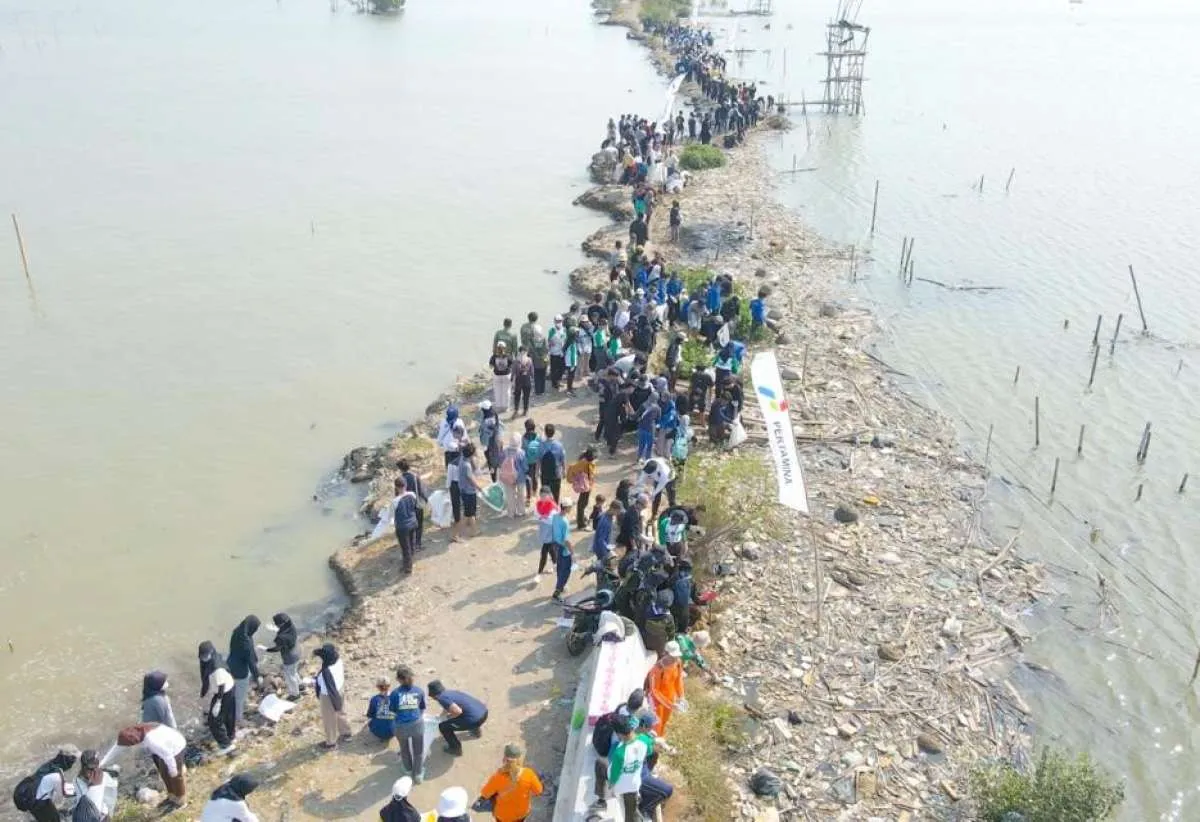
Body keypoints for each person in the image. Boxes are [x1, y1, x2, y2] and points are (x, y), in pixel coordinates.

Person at [111, 723, 187, 808]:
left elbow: (168, 755)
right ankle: (172, 797)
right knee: (164, 773)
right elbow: (117, 747)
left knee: (175, 776)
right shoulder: (138, 734)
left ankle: (181, 801)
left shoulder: (152, 741)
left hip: (175, 746)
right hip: (162, 748)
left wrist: (173, 770)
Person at [476, 743, 543, 822]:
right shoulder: (529, 774)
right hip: (521, 813)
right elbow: (539, 791)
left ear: (504, 758)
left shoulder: (497, 777)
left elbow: (485, 794)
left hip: (502, 815)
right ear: (519, 759)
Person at [607, 716, 655, 821]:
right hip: (634, 785)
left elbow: (614, 776)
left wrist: (610, 787)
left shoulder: (619, 752)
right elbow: (650, 751)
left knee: (600, 764)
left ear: (619, 734)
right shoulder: (645, 740)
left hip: (621, 787)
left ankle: (601, 802)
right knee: (630, 812)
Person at [428, 680, 488, 757]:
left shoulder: (441, 698)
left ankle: (455, 749)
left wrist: (447, 718)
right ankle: (476, 732)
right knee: (468, 714)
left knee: (443, 727)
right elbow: (448, 706)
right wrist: (442, 716)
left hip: (474, 721)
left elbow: (457, 712)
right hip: (483, 712)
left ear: (434, 696)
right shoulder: (451, 693)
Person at [198, 641, 237, 753]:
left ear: (211, 653)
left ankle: (226, 745)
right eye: (202, 655)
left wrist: (218, 703)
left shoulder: (216, 668)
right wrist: (202, 694)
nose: (204, 658)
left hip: (225, 692)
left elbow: (221, 686)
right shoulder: (211, 659)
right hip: (229, 687)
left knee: (214, 721)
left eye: (206, 655)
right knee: (228, 714)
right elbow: (206, 679)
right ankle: (231, 736)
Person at [391, 666, 427, 780]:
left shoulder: (395, 693)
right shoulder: (419, 691)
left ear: (398, 679)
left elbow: (393, 710)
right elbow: (422, 708)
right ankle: (418, 774)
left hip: (401, 727)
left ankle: (407, 770)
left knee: (404, 750)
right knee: (418, 751)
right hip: (417, 725)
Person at [313, 644, 352, 750]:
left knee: (329, 719)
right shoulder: (338, 661)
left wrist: (315, 682)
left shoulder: (326, 672)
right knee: (341, 712)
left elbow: (325, 686)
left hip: (328, 696)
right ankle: (346, 733)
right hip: (340, 688)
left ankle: (331, 743)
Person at [27, 748, 79, 822]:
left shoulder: (51, 764)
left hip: (30, 796)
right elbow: (64, 793)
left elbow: (53, 783)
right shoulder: (57, 774)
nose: (73, 763)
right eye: (73, 760)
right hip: (38, 802)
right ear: (67, 760)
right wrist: (80, 790)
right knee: (55, 819)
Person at [227, 615, 262, 724]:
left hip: (231, 664)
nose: (255, 631)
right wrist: (258, 676)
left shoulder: (238, 632)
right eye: (255, 629)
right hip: (241, 671)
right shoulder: (245, 642)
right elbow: (251, 662)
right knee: (239, 697)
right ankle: (239, 719)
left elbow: (249, 651)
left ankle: (239, 706)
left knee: (235, 691)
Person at [645, 643, 685, 735]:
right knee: (656, 726)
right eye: (672, 656)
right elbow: (654, 691)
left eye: (676, 656)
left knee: (664, 722)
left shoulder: (678, 663)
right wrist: (670, 704)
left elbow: (678, 680)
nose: (675, 659)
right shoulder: (656, 670)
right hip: (657, 703)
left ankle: (660, 739)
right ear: (665, 653)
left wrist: (681, 696)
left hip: (670, 699)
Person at [72, 749, 117, 822]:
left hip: (102, 817)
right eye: (89, 769)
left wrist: (108, 812)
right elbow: (86, 800)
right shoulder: (78, 780)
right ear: (83, 767)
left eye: (95, 768)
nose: (93, 772)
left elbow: (111, 793)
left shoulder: (104, 776)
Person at [264, 612, 301, 700]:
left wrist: (265, 649)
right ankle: (300, 685)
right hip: (297, 651)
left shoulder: (281, 637)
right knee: (294, 672)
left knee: (290, 676)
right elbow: (284, 633)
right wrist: (275, 629)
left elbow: (277, 648)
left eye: (276, 624)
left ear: (280, 624)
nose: (275, 625)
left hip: (290, 658)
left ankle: (295, 694)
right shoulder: (291, 626)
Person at [398, 459, 429, 551]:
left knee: (410, 527)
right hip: (416, 505)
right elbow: (420, 491)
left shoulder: (400, 480)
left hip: (406, 507)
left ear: (400, 469)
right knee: (419, 526)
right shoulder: (415, 477)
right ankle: (418, 545)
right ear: (409, 467)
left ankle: (411, 546)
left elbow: (398, 495)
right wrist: (426, 499)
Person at [392, 478, 420, 575]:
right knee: (411, 543)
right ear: (405, 485)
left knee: (405, 547)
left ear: (396, 487)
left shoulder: (395, 501)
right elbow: (414, 506)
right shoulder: (412, 495)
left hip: (402, 527)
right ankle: (411, 561)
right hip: (413, 522)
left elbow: (392, 515)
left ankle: (408, 568)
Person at [455, 443, 482, 540]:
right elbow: (470, 479)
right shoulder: (467, 465)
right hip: (469, 492)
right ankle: (457, 534)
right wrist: (479, 487)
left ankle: (471, 531)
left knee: (469, 513)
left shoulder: (462, 459)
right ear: (471, 454)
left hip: (464, 490)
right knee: (469, 514)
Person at [549, 500, 574, 603]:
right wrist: (572, 552)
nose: (571, 508)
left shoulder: (555, 516)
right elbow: (566, 540)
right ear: (566, 508)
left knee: (560, 568)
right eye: (570, 506)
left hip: (556, 546)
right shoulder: (565, 522)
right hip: (564, 548)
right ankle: (557, 593)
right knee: (566, 571)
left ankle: (561, 586)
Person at [497, 434, 527, 518]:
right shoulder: (521, 452)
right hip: (520, 477)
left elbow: (500, 462)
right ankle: (521, 511)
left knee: (510, 495)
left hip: (507, 477)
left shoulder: (505, 451)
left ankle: (511, 513)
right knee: (521, 495)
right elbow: (525, 467)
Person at [565, 450, 596, 530]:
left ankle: (581, 517)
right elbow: (572, 468)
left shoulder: (586, 462)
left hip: (587, 485)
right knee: (581, 504)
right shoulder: (583, 463)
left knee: (584, 503)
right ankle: (581, 523)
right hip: (584, 486)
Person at [519, 312, 548, 396]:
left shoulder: (523, 326)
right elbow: (539, 341)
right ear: (536, 318)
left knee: (525, 369)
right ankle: (534, 387)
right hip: (533, 351)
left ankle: (525, 385)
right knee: (533, 369)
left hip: (524, 350)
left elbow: (522, 338)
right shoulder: (536, 327)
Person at [534, 488, 559, 581]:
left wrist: (542, 517)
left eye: (544, 496)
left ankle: (539, 573)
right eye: (541, 496)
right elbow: (535, 515)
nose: (542, 498)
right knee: (551, 550)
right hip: (544, 531)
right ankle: (556, 564)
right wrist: (543, 517)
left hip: (551, 532)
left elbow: (552, 520)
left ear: (549, 495)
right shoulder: (539, 504)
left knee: (544, 552)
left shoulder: (553, 507)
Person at [538, 424, 566, 502]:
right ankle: (555, 507)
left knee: (545, 495)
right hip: (556, 475)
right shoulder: (559, 445)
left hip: (545, 474)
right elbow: (562, 459)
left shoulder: (541, 445)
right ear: (554, 432)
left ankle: (546, 507)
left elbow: (539, 460)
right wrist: (564, 471)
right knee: (556, 495)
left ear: (545, 433)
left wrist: (537, 472)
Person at [479, 402, 503, 482]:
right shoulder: (495, 415)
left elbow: (485, 439)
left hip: (490, 446)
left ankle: (494, 480)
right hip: (498, 442)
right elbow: (500, 428)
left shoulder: (486, 421)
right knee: (498, 459)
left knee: (492, 464)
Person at [488, 343, 513, 415]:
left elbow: (490, 366)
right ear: (505, 348)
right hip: (506, 375)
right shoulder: (508, 356)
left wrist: (496, 366)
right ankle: (506, 407)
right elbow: (512, 364)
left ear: (497, 348)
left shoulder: (494, 356)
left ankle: (499, 407)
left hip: (497, 376)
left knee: (498, 391)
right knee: (507, 391)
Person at [520, 420, 541, 502]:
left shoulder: (523, 438)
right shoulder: (538, 436)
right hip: (536, 461)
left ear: (526, 428)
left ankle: (528, 497)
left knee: (527, 479)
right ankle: (535, 491)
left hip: (527, 462)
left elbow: (522, 451)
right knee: (535, 477)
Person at [511, 346, 534, 418]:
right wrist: (512, 379)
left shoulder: (529, 360)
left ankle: (525, 410)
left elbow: (531, 369)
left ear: (526, 352)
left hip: (527, 379)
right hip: (519, 379)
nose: (523, 352)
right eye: (522, 351)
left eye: (525, 351)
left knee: (526, 396)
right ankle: (516, 410)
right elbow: (513, 370)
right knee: (517, 395)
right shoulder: (516, 361)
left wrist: (532, 377)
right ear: (520, 352)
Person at [547, 315, 567, 391]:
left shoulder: (564, 329)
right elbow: (549, 341)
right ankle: (554, 383)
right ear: (554, 321)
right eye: (557, 321)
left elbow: (566, 339)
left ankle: (559, 380)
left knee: (562, 368)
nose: (559, 322)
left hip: (562, 353)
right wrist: (551, 343)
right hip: (554, 353)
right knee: (554, 369)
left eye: (560, 321)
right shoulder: (552, 330)